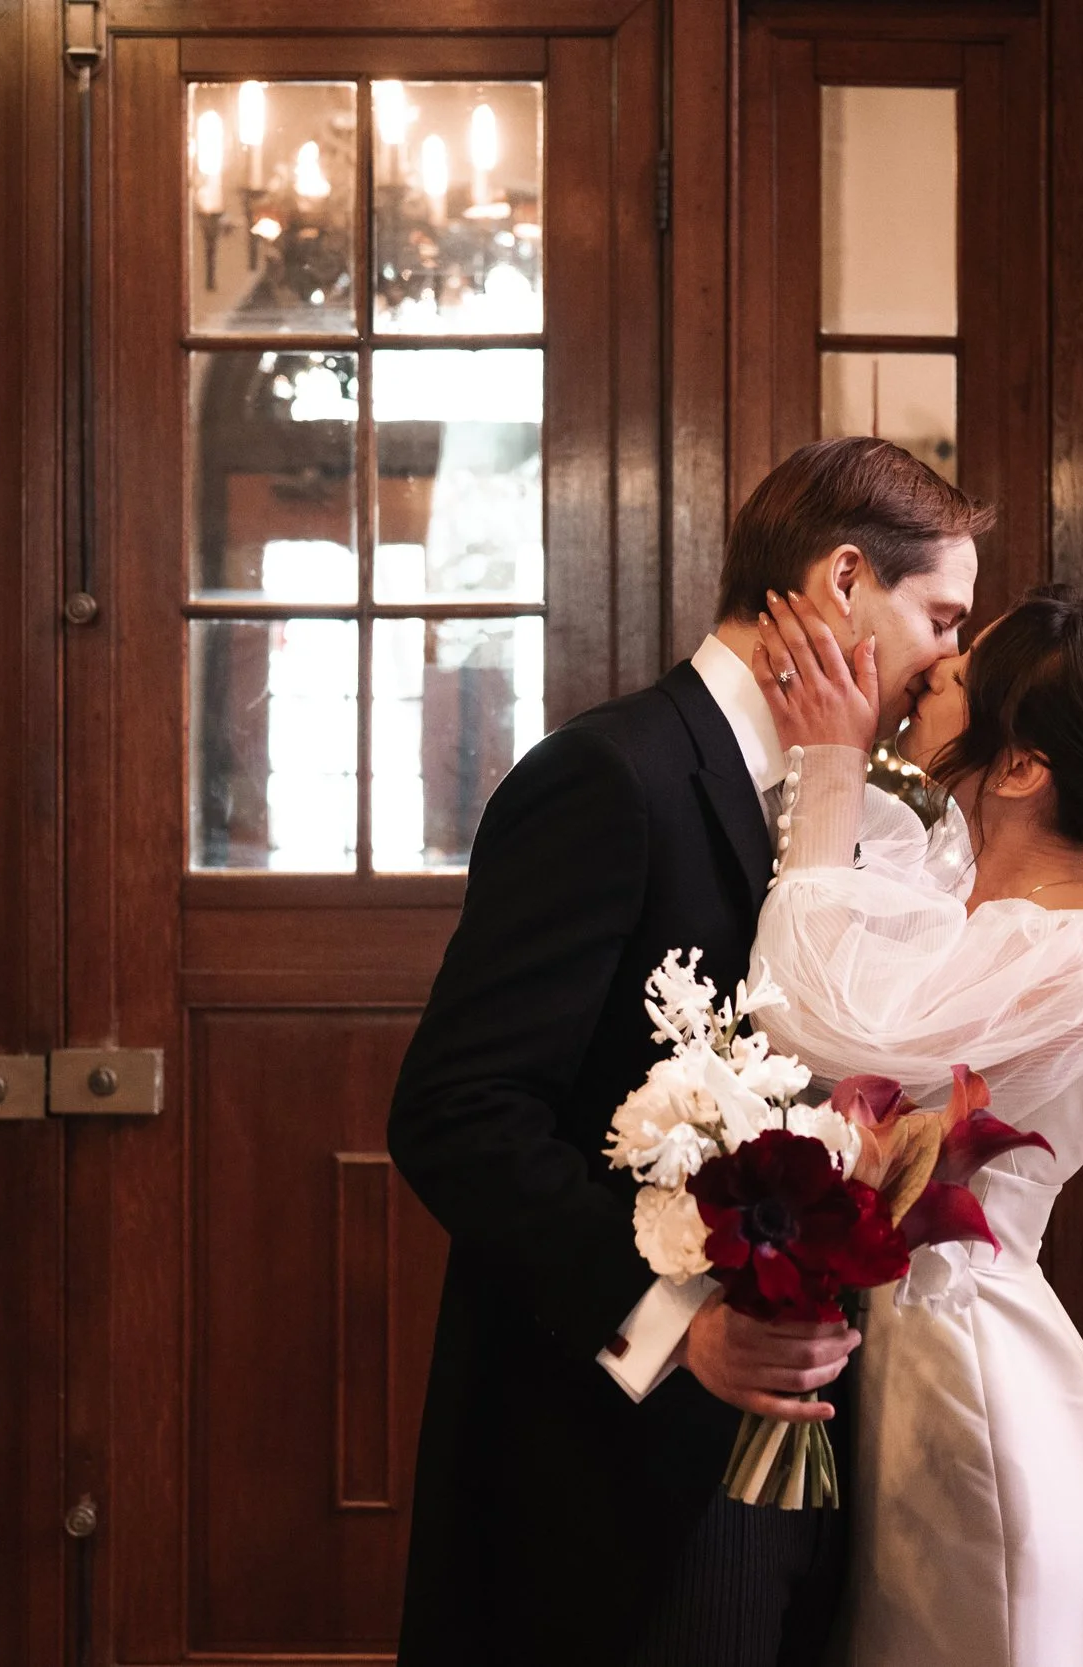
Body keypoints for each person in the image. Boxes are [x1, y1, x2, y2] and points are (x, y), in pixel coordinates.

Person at [385, 435, 985, 1666]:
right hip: (599, 1458)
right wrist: (670, 1322)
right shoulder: (610, 776)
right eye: (940, 613)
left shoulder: (850, 803)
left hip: (781, 1446)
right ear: (842, 581)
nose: (951, 656)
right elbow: (458, 1111)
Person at [746, 584, 1083, 1667]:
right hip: (901, 1357)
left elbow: (811, 1015)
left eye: (958, 673)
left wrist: (828, 768)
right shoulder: (954, 893)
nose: (928, 673)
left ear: (1021, 764)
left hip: (974, 1380)